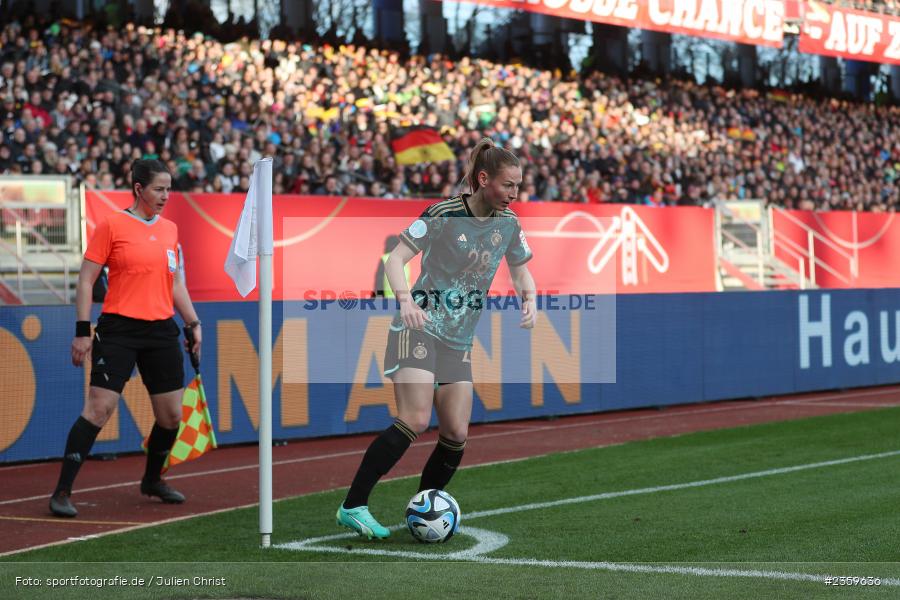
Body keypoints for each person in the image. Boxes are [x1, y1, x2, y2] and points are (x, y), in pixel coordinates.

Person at [336, 138, 537, 539]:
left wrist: (529, 298)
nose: (515, 193)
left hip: (458, 341)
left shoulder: (509, 224)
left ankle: (425, 509)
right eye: (508, 185)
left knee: (456, 433)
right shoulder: (443, 213)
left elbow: (519, 269)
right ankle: (353, 505)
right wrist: (407, 302)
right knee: (413, 418)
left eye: (518, 185)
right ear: (484, 179)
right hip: (419, 329)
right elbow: (396, 259)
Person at [49, 159, 202, 518]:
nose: (166, 195)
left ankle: (152, 480)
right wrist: (82, 332)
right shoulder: (111, 225)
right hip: (118, 329)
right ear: (138, 189)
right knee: (98, 409)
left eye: (168, 189)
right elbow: (86, 281)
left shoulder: (170, 230)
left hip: (161, 330)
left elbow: (175, 282)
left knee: (170, 417)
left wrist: (193, 323)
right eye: (158, 189)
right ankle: (62, 490)